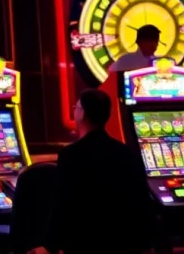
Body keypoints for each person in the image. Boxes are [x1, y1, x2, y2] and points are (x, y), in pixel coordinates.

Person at [30, 90, 155, 254]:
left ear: (82, 114)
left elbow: (64, 205)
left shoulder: (71, 154)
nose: (74, 111)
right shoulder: (126, 152)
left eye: (76, 107)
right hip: (125, 243)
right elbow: (142, 202)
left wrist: (49, 246)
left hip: (85, 243)